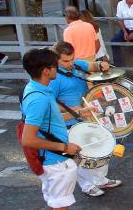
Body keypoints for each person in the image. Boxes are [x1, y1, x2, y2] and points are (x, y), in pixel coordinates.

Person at [19, 48, 97, 210]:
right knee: (60, 205)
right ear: (46, 71)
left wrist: (79, 112)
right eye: (55, 66)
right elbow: (28, 139)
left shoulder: (35, 89)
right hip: (56, 161)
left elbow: (50, 120)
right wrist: (64, 147)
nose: (58, 69)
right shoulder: (39, 99)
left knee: (53, 202)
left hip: (50, 159)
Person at [49, 41, 122, 197]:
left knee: (101, 146)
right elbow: (50, 103)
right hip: (71, 122)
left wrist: (101, 64)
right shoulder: (53, 78)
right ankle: (87, 185)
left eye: (72, 59)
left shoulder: (76, 65)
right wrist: (72, 109)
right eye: (65, 61)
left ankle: (101, 180)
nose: (70, 64)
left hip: (88, 115)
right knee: (83, 154)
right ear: (56, 60)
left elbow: (91, 66)